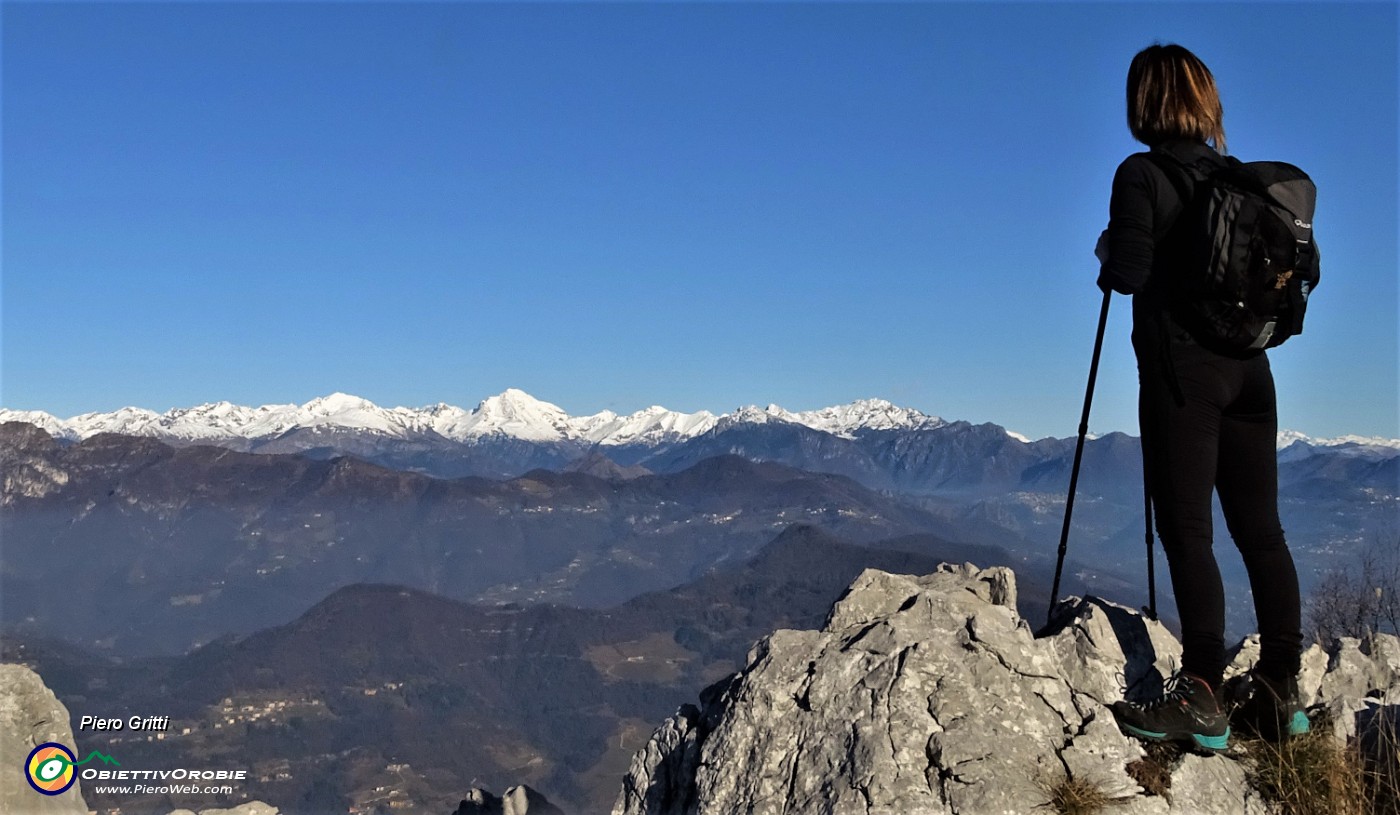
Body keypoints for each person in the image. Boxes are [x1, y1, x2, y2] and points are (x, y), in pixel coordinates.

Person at [1097, 43, 1312, 753]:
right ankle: (1283, 691)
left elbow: (1127, 273)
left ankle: (1201, 693)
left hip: (1183, 374)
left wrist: (1110, 248)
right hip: (1252, 372)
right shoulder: (1234, 178)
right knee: (1262, 530)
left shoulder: (1142, 173)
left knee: (1188, 529)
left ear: (1142, 103)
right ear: (1205, 100)